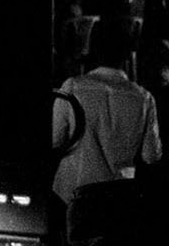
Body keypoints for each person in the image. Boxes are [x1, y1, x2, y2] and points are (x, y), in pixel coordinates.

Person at [50, 21, 162, 205]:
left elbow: (55, 140)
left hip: (73, 193)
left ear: (93, 49)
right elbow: (151, 156)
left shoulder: (73, 87)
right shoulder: (144, 98)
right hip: (117, 195)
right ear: (127, 54)